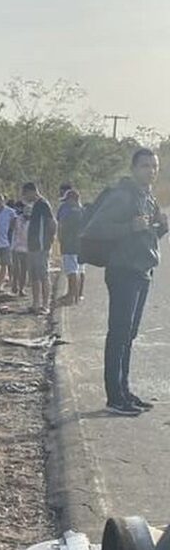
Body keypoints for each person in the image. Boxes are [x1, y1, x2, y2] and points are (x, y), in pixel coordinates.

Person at [80, 149, 168, 415]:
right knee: (118, 334)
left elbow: (146, 236)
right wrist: (131, 227)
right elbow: (94, 229)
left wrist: (160, 227)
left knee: (129, 335)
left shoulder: (148, 196)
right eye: (145, 166)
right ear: (133, 168)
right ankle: (114, 397)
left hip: (143, 270)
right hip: (123, 272)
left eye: (154, 166)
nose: (150, 171)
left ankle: (124, 391)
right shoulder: (122, 195)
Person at [22, 182, 56, 314]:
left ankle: (45, 305)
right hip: (32, 246)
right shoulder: (34, 206)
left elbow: (52, 223)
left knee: (43, 275)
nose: (24, 197)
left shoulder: (43, 204)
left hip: (42, 246)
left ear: (32, 191)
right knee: (34, 276)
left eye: (25, 194)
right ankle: (35, 303)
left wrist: (49, 241)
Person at [55, 189, 84, 307]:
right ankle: (76, 295)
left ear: (72, 200)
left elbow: (62, 228)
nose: (66, 203)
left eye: (67, 200)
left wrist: (60, 240)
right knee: (78, 271)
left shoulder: (70, 213)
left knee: (72, 272)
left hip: (69, 245)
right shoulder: (83, 212)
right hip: (80, 246)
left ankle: (71, 296)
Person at [0, 193, 17, 290]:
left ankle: (0, 284)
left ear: (3, 201)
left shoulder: (10, 212)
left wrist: (10, 233)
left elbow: (14, 223)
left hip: (5, 241)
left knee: (4, 264)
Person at [10, 200, 30, 296]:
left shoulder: (33, 221)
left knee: (24, 269)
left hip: (27, 248)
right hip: (16, 246)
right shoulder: (16, 219)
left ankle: (21, 289)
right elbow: (11, 229)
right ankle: (14, 285)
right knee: (16, 268)